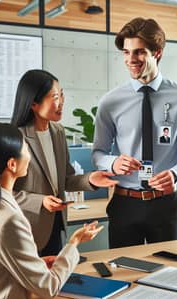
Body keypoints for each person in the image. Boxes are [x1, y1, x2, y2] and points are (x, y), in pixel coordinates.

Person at [92, 17, 177, 248]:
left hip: (165, 205)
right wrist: (113, 163)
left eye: (139, 52)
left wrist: (175, 174)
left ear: (158, 52)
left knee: (166, 274)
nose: (131, 60)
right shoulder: (110, 101)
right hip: (125, 203)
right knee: (122, 273)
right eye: (126, 52)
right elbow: (98, 153)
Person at [11, 69, 118, 256]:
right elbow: (2, 192)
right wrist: (40, 201)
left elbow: (66, 178)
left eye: (61, 94)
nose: (61, 102)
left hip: (56, 225)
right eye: (54, 97)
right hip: (26, 229)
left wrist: (91, 179)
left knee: (55, 282)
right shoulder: (16, 139)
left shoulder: (58, 132)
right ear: (34, 103)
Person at [0, 122, 104, 299]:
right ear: (12, 165)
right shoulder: (10, 221)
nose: (29, 156)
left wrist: (34, 265)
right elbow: (49, 287)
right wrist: (74, 243)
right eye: (26, 149)